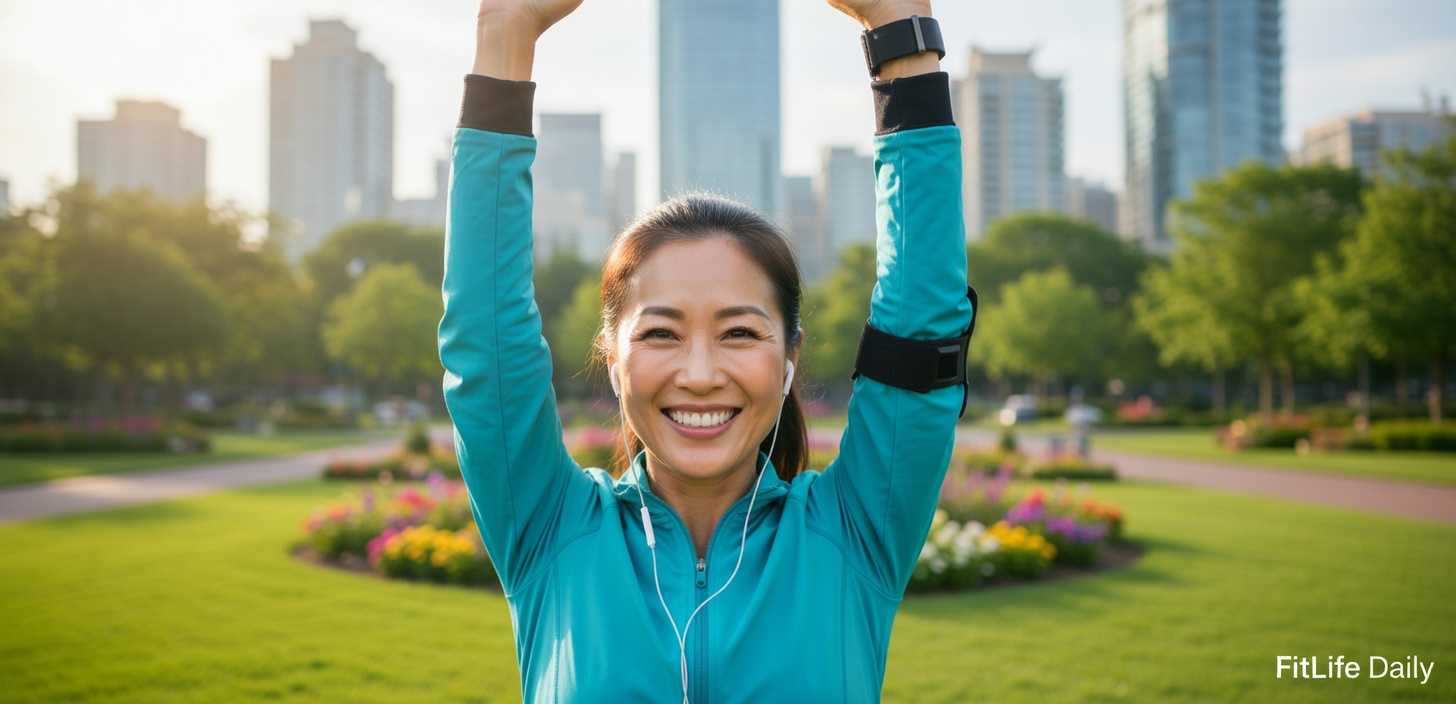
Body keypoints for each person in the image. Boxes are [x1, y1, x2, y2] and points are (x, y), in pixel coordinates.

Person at [438, 0, 975, 701]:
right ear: (611, 353)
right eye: (661, 332)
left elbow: (920, 328)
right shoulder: (550, 530)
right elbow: (486, 340)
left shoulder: (853, 535)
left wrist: (901, 32)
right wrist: (504, 31)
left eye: (740, 332)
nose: (699, 374)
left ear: (789, 359)